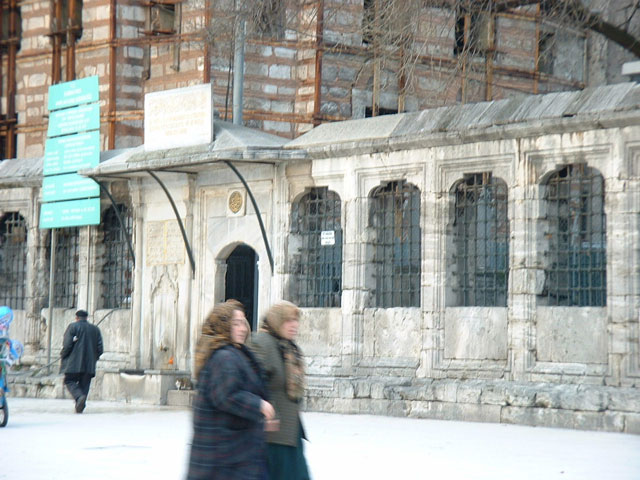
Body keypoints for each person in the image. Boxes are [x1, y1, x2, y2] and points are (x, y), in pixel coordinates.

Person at [187, 300, 275, 480]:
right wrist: (259, 405)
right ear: (223, 326)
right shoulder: (224, 357)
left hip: (233, 451)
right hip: (225, 456)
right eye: (236, 324)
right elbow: (226, 396)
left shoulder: (234, 353)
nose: (243, 328)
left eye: (243, 322)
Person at [251, 301, 311, 480]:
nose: (294, 325)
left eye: (296, 320)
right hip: (273, 435)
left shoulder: (288, 346)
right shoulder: (262, 343)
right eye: (288, 320)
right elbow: (252, 384)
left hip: (291, 432)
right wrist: (264, 413)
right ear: (276, 321)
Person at [59, 309, 103, 414]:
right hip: (89, 364)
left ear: (76, 318)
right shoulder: (95, 329)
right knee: (85, 384)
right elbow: (100, 348)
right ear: (86, 318)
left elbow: (67, 345)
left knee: (69, 381)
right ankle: (80, 405)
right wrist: (94, 358)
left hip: (73, 363)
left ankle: (79, 397)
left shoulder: (73, 327)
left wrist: (63, 355)